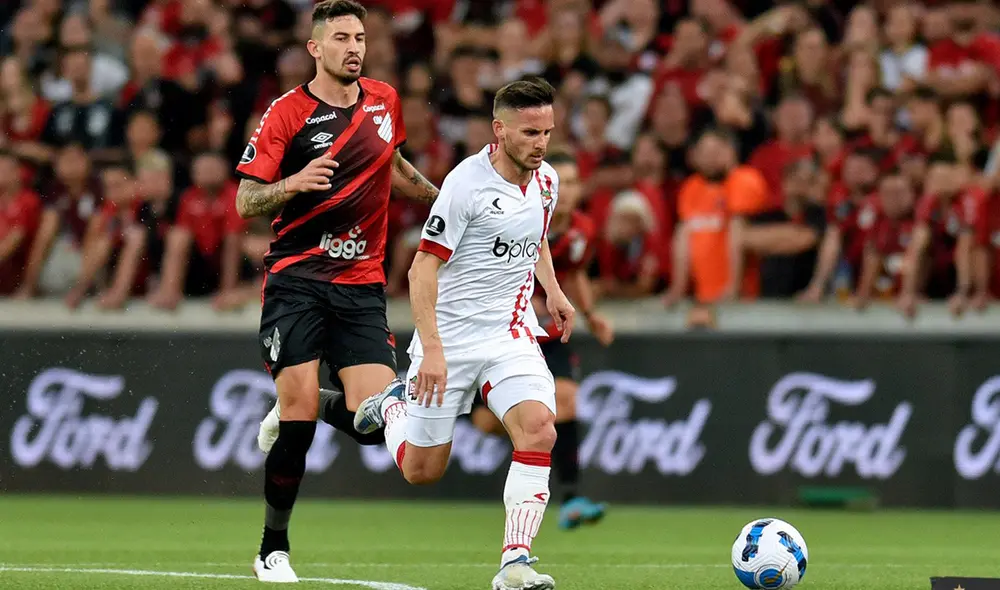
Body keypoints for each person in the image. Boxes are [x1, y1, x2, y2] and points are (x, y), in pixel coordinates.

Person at [232, 0, 439, 582]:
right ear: (315, 49)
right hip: (297, 280)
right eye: (342, 37)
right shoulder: (286, 113)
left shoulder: (384, 100)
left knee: (380, 423)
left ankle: (315, 403)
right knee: (296, 423)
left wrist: (445, 200)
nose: (354, 46)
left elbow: (392, 167)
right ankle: (273, 548)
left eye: (361, 37)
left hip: (361, 285)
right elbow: (245, 200)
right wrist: (295, 181)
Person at [352, 77, 573, 590]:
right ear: (499, 130)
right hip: (448, 340)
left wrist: (554, 291)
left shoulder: (547, 181)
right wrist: (431, 351)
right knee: (422, 471)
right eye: (530, 132)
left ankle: (515, 563)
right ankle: (390, 405)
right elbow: (421, 272)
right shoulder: (465, 185)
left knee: (539, 428)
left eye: (547, 131)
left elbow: (534, 236)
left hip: (511, 333)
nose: (541, 143)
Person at [467, 150, 614, 530]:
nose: (567, 190)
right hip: (502, 331)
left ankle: (571, 498)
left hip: (546, 334)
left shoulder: (582, 229)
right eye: (560, 181)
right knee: (486, 422)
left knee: (565, 400)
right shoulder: (521, 216)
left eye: (575, 182)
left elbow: (576, 271)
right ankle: (519, 425)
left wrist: (592, 314)